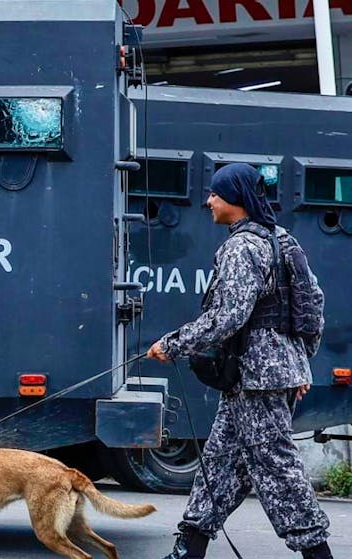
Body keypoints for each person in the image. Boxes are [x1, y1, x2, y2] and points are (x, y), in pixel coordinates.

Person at [147, 163, 332, 559]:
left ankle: (320, 555)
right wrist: (298, 364)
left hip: (256, 379)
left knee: (277, 470)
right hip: (258, 378)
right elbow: (312, 307)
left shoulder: (243, 247)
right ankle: (189, 549)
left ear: (235, 199)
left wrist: (173, 343)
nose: (208, 200)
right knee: (219, 462)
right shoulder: (283, 241)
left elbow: (228, 316)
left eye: (215, 193)